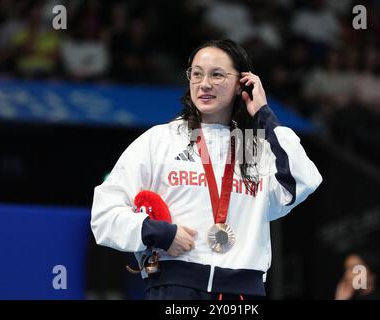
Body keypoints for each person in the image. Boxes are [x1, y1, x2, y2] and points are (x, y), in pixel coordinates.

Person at [91, 39, 322, 300]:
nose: (205, 84)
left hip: (242, 294)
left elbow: (303, 181)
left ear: (241, 83)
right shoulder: (160, 140)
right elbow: (104, 215)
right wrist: (160, 233)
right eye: (197, 74)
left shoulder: (251, 148)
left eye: (217, 75)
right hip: (174, 288)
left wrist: (264, 114)